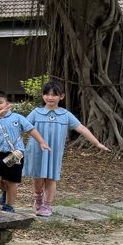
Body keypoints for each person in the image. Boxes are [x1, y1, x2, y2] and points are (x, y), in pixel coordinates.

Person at [23, 81, 110, 216]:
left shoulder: (65, 114)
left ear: (62, 96)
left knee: (51, 178)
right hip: (36, 151)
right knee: (38, 177)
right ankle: (38, 196)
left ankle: (47, 205)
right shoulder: (36, 113)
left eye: (54, 95)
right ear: (42, 95)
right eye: (47, 94)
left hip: (54, 152)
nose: (50, 98)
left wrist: (97, 143)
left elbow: (82, 128)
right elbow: (23, 126)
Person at [0, 91, 50, 212]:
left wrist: (42, 142)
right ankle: (6, 191)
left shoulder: (17, 118)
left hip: (15, 154)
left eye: (0, 102)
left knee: (11, 181)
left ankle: (8, 206)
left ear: (8, 104)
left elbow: (31, 129)